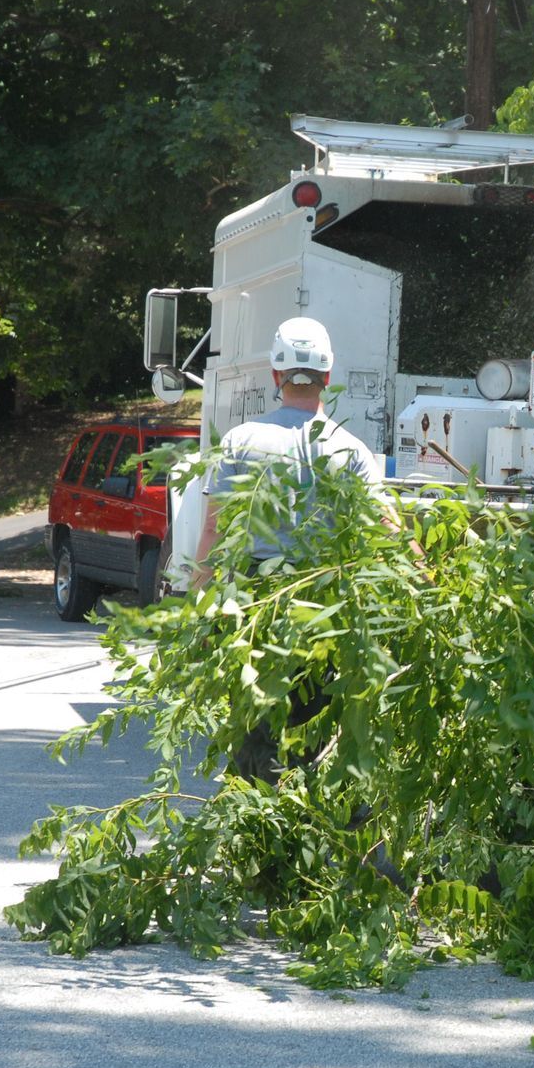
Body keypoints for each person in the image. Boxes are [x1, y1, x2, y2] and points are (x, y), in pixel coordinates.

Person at [190, 316, 380, 779]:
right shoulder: (350, 450)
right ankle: (309, 820)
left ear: (276, 376)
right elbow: (384, 529)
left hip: (257, 606)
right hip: (324, 607)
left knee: (255, 723)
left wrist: (198, 605)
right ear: (327, 378)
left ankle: (256, 826)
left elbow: (214, 533)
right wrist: (428, 579)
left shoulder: (239, 441)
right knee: (315, 724)